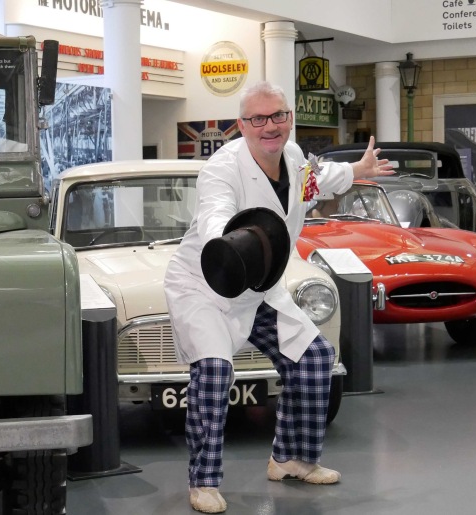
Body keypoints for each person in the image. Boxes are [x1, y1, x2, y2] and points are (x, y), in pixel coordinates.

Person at [163, 81, 394, 514]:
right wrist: (222, 244)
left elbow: (316, 183)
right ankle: (204, 483)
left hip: (258, 286)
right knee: (214, 372)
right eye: (258, 119)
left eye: (278, 116)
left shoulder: (292, 156)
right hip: (206, 285)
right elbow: (215, 214)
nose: (269, 126)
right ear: (241, 125)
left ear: (288, 118)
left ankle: (292, 459)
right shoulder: (221, 169)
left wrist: (357, 170)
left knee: (315, 358)